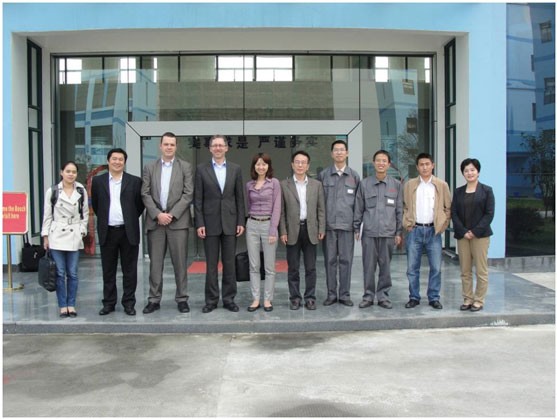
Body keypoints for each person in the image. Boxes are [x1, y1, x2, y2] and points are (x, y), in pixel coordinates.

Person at [141, 132, 194, 314]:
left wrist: (171, 214)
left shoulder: (185, 167)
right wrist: (157, 214)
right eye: (166, 144)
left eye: (172, 144)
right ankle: (154, 299)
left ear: (176, 146)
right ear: (160, 146)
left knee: (180, 264)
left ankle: (182, 299)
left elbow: (188, 194)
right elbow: (145, 193)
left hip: (177, 222)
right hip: (156, 223)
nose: (169, 147)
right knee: (155, 264)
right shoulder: (150, 167)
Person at [194, 134, 246, 313]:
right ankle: (211, 300)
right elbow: (198, 199)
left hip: (230, 222)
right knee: (211, 265)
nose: (217, 148)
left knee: (229, 264)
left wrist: (240, 220)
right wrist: (199, 223)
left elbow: (239, 197)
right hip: (209, 223)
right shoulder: (201, 169)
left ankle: (229, 299)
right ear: (210, 149)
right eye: (214, 145)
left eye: (220, 145)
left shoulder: (235, 169)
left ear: (226, 148)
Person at [91, 148, 144, 316]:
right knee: (108, 270)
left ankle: (129, 303)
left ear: (124, 162)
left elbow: (139, 205)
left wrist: (128, 218)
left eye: (121, 159)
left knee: (130, 271)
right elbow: (97, 205)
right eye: (114, 159)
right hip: (108, 231)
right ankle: (109, 303)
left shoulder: (134, 181)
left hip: (128, 231)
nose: (117, 162)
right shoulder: (98, 181)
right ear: (108, 161)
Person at [354, 150, 402, 309]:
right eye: (378, 160)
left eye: (384, 161)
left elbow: (399, 210)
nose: (381, 163)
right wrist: (356, 228)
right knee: (368, 267)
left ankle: (383, 296)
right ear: (374, 163)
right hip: (369, 232)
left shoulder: (396, 185)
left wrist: (398, 232)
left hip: (388, 233)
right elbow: (359, 208)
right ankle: (368, 296)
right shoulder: (364, 184)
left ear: (389, 164)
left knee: (385, 267)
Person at [403, 152, 451, 309]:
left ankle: (434, 297)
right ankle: (414, 297)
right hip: (414, 230)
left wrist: (442, 225)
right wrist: (407, 223)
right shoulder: (410, 185)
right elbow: (404, 206)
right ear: (417, 167)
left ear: (433, 165)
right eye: (421, 165)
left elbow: (448, 208)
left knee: (436, 267)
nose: (424, 167)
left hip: (433, 231)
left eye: (427, 164)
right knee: (412, 268)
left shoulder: (441, 185)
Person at [41, 161, 89, 318]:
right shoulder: (53, 191)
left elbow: (85, 213)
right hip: (56, 235)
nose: (71, 174)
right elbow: (47, 215)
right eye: (68, 171)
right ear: (61, 172)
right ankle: (62, 305)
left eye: (74, 172)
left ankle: (71, 304)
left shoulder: (81, 190)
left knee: (73, 273)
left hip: (74, 233)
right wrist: (45, 236)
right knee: (60, 273)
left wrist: (82, 231)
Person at [280, 150, 326, 311]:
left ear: (308, 166)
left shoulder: (316, 185)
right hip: (292, 230)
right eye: (297, 162)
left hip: (310, 229)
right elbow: (281, 211)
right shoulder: (284, 185)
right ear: (292, 165)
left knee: (311, 268)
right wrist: (283, 231)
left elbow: (321, 209)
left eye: (303, 162)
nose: (300, 165)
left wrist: (321, 227)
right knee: (293, 268)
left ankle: (310, 298)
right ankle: (295, 298)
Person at [317, 140, 360, 306]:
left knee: (346, 261)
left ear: (347, 153)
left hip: (347, 227)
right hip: (329, 226)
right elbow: (319, 203)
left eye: (342, 150)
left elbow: (358, 204)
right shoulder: (324, 175)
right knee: (329, 261)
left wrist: (356, 226)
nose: (339, 153)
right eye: (336, 150)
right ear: (332, 154)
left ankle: (344, 295)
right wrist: (320, 226)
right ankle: (331, 294)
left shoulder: (354, 176)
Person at [451, 158, 495, 312]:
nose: (469, 173)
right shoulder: (458, 192)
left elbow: (489, 214)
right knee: (465, 270)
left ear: (478, 172)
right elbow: (454, 213)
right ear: (463, 173)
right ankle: (468, 298)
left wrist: (475, 231)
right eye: (466, 170)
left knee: (481, 270)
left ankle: (479, 300)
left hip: (480, 236)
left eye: (472, 170)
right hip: (463, 236)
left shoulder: (487, 191)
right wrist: (464, 231)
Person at [245, 153, 281, 312]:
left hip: (268, 224)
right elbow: (248, 205)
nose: (261, 167)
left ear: (268, 166)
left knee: (269, 266)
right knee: (254, 265)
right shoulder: (249, 185)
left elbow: (277, 207)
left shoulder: (274, 183)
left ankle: (267, 299)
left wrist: (273, 229)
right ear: (254, 166)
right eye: (258, 164)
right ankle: (255, 299)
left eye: (264, 164)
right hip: (252, 224)